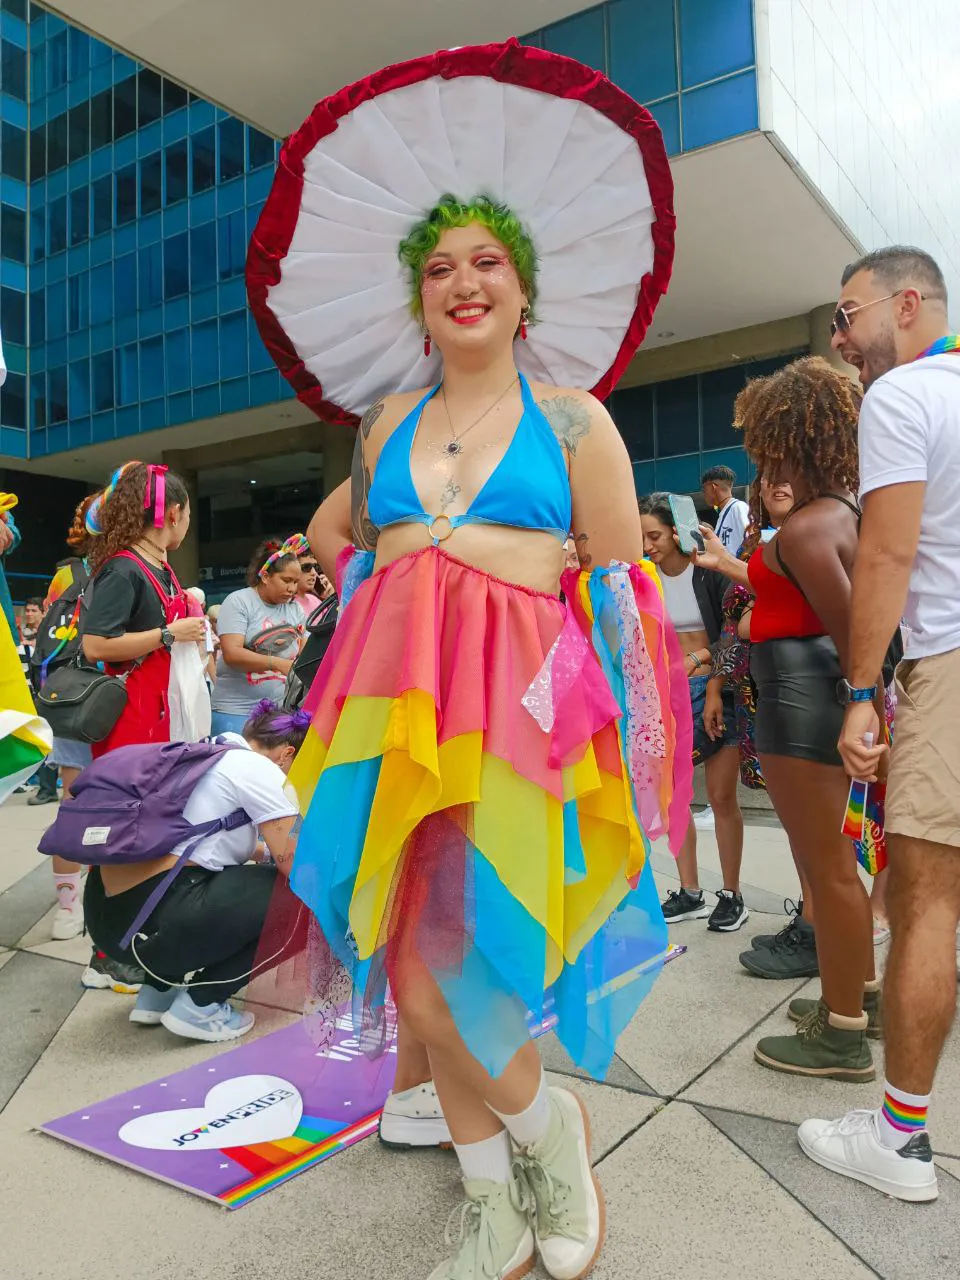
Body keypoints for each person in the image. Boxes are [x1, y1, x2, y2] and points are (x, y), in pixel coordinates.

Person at [798, 246, 959, 1202]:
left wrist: (863, 689)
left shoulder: (902, 399)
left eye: (847, 316)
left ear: (906, 305)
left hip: (947, 663)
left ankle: (900, 1140)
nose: (840, 341)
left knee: (926, 904)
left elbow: (889, 552)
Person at [723, 356, 880, 1082]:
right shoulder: (839, 512)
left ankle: (840, 1033)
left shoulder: (806, 532)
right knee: (836, 864)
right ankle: (860, 996)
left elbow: (858, 636)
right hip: (813, 694)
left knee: (829, 868)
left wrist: (862, 705)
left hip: (803, 700)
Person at [82, 701, 306, 1043]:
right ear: (287, 754)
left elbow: (207, 845)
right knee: (301, 899)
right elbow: (293, 862)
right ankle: (201, 1007)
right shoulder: (262, 771)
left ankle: (157, 994)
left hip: (109, 923)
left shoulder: (203, 751)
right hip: (153, 929)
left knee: (213, 881)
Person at [694, 479, 822, 981]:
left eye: (790, 471)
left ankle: (819, 930)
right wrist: (713, 687)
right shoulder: (756, 548)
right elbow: (732, 627)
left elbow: (784, 616)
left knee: (817, 824)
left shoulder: (820, 532)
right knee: (794, 819)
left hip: (808, 696)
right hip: (757, 699)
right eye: (767, 476)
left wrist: (751, 615)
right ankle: (810, 920)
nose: (777, 483)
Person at [639, 493, 748, 932]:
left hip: (716, 689)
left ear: (676, 531)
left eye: (656, 535)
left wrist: (699, 664)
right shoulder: (643, 577)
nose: (649, 545)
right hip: (665, 696)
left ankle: (732, 894)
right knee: (675, 797)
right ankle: (689, 892)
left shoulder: (708, 574)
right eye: (643, 537)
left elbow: (735, 634)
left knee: (721, 797)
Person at [82, 462, 207, 757]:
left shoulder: (160, 567)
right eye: (188, 514)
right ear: (174, 513)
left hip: (163, 710)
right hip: (133, 715)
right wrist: (169, 634)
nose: (188, 523)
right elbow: (95, 645)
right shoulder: (124, 569)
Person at [210, 539, 305, 736]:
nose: (292, 589)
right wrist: (277, 664)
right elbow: (232, 654)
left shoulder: (295, 609)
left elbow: (304, 655)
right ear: (265, 576)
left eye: (296, 582)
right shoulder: (240, 601)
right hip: (235, 711)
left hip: (280, 712)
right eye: (286, 581)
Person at [701, 464, 749, 553]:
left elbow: (753, 538)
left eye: (704, 489)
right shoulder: (724, 513)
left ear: (713, 487)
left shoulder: (738, 507)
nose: (703, 493)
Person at [286, 533, 324, 617]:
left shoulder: (316, 601)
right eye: (307, 567)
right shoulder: (283, 606)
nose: (314, 573)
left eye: (315, 567)